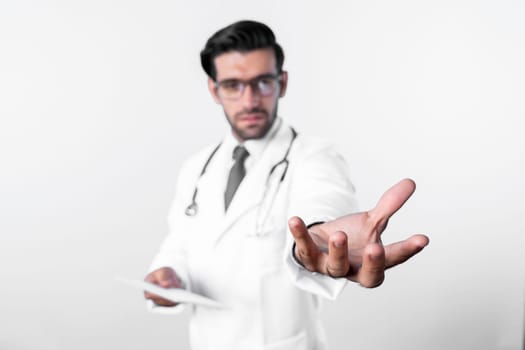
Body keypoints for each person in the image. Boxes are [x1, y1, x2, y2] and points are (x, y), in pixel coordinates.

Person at [144, 20, 429, 350]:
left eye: (262, 82)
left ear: (282, 82)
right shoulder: (196, 167)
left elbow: (323, 202)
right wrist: (165, 274)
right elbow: (180, 242)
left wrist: (316, 240)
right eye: (233, 85)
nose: (249, 100)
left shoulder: (315, 157)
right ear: (214, 90)